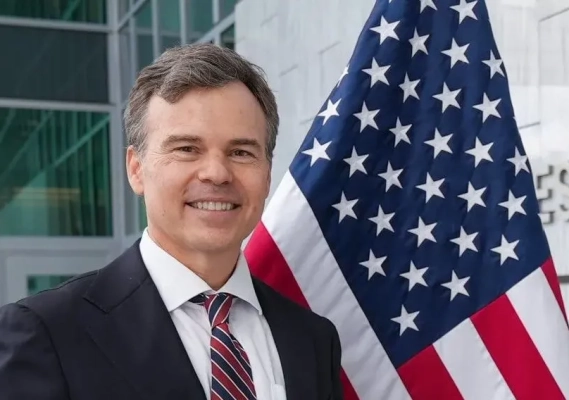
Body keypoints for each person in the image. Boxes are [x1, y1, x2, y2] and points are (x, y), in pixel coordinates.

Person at [0, 43, 343, 400]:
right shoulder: (47, 334)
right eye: (187, 149)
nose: (217, 173)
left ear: (268, 175)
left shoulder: (314, 341)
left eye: (241, 152)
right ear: (136, 169)